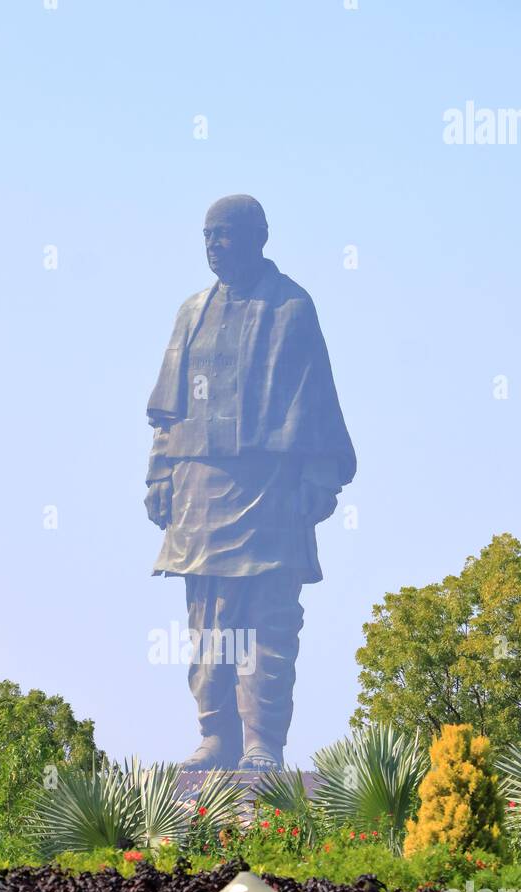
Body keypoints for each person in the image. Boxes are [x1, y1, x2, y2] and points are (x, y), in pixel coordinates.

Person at [145, 194, 357, 770]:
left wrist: (317, 475)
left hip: (271, 489)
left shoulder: (291, 307)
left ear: (259, 237)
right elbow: (167, 411)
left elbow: (315, 401)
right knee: (209, 619)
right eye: (207, 236)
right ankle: (216, 736)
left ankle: (262, 742)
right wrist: (159, 472)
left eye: (226, 235)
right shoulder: (191, 311)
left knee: (268, 619)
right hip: (199, 489)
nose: (214, 246)